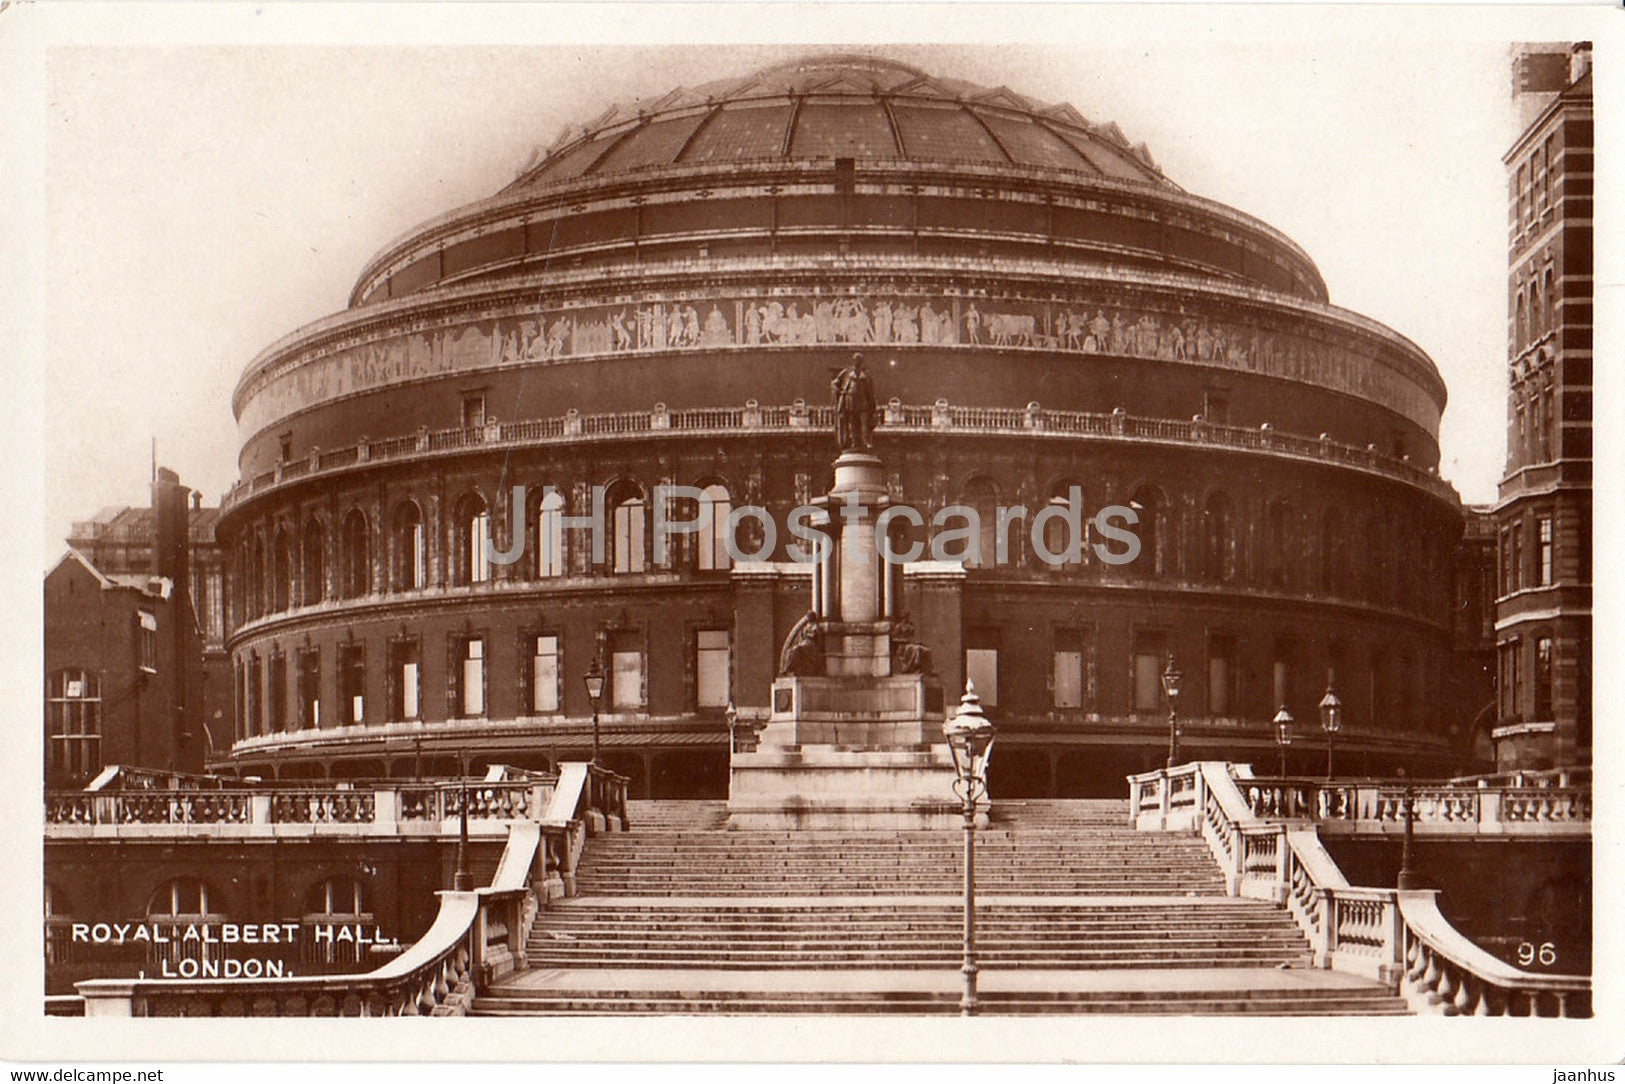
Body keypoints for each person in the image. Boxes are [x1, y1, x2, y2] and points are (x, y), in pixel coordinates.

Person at [831, 352, 878, 452]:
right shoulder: (847, 373)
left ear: (861, 361)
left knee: (864, 423)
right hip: (850, 401)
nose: (857, 362)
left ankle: (865, 442)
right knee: (852, 423)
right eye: (856, 360)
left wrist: (872, 406)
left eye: (859, 360)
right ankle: (854, 442)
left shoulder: (866, 375)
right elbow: (834, 383)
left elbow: (870, 392)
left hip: (862, 402)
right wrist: (840, 392)